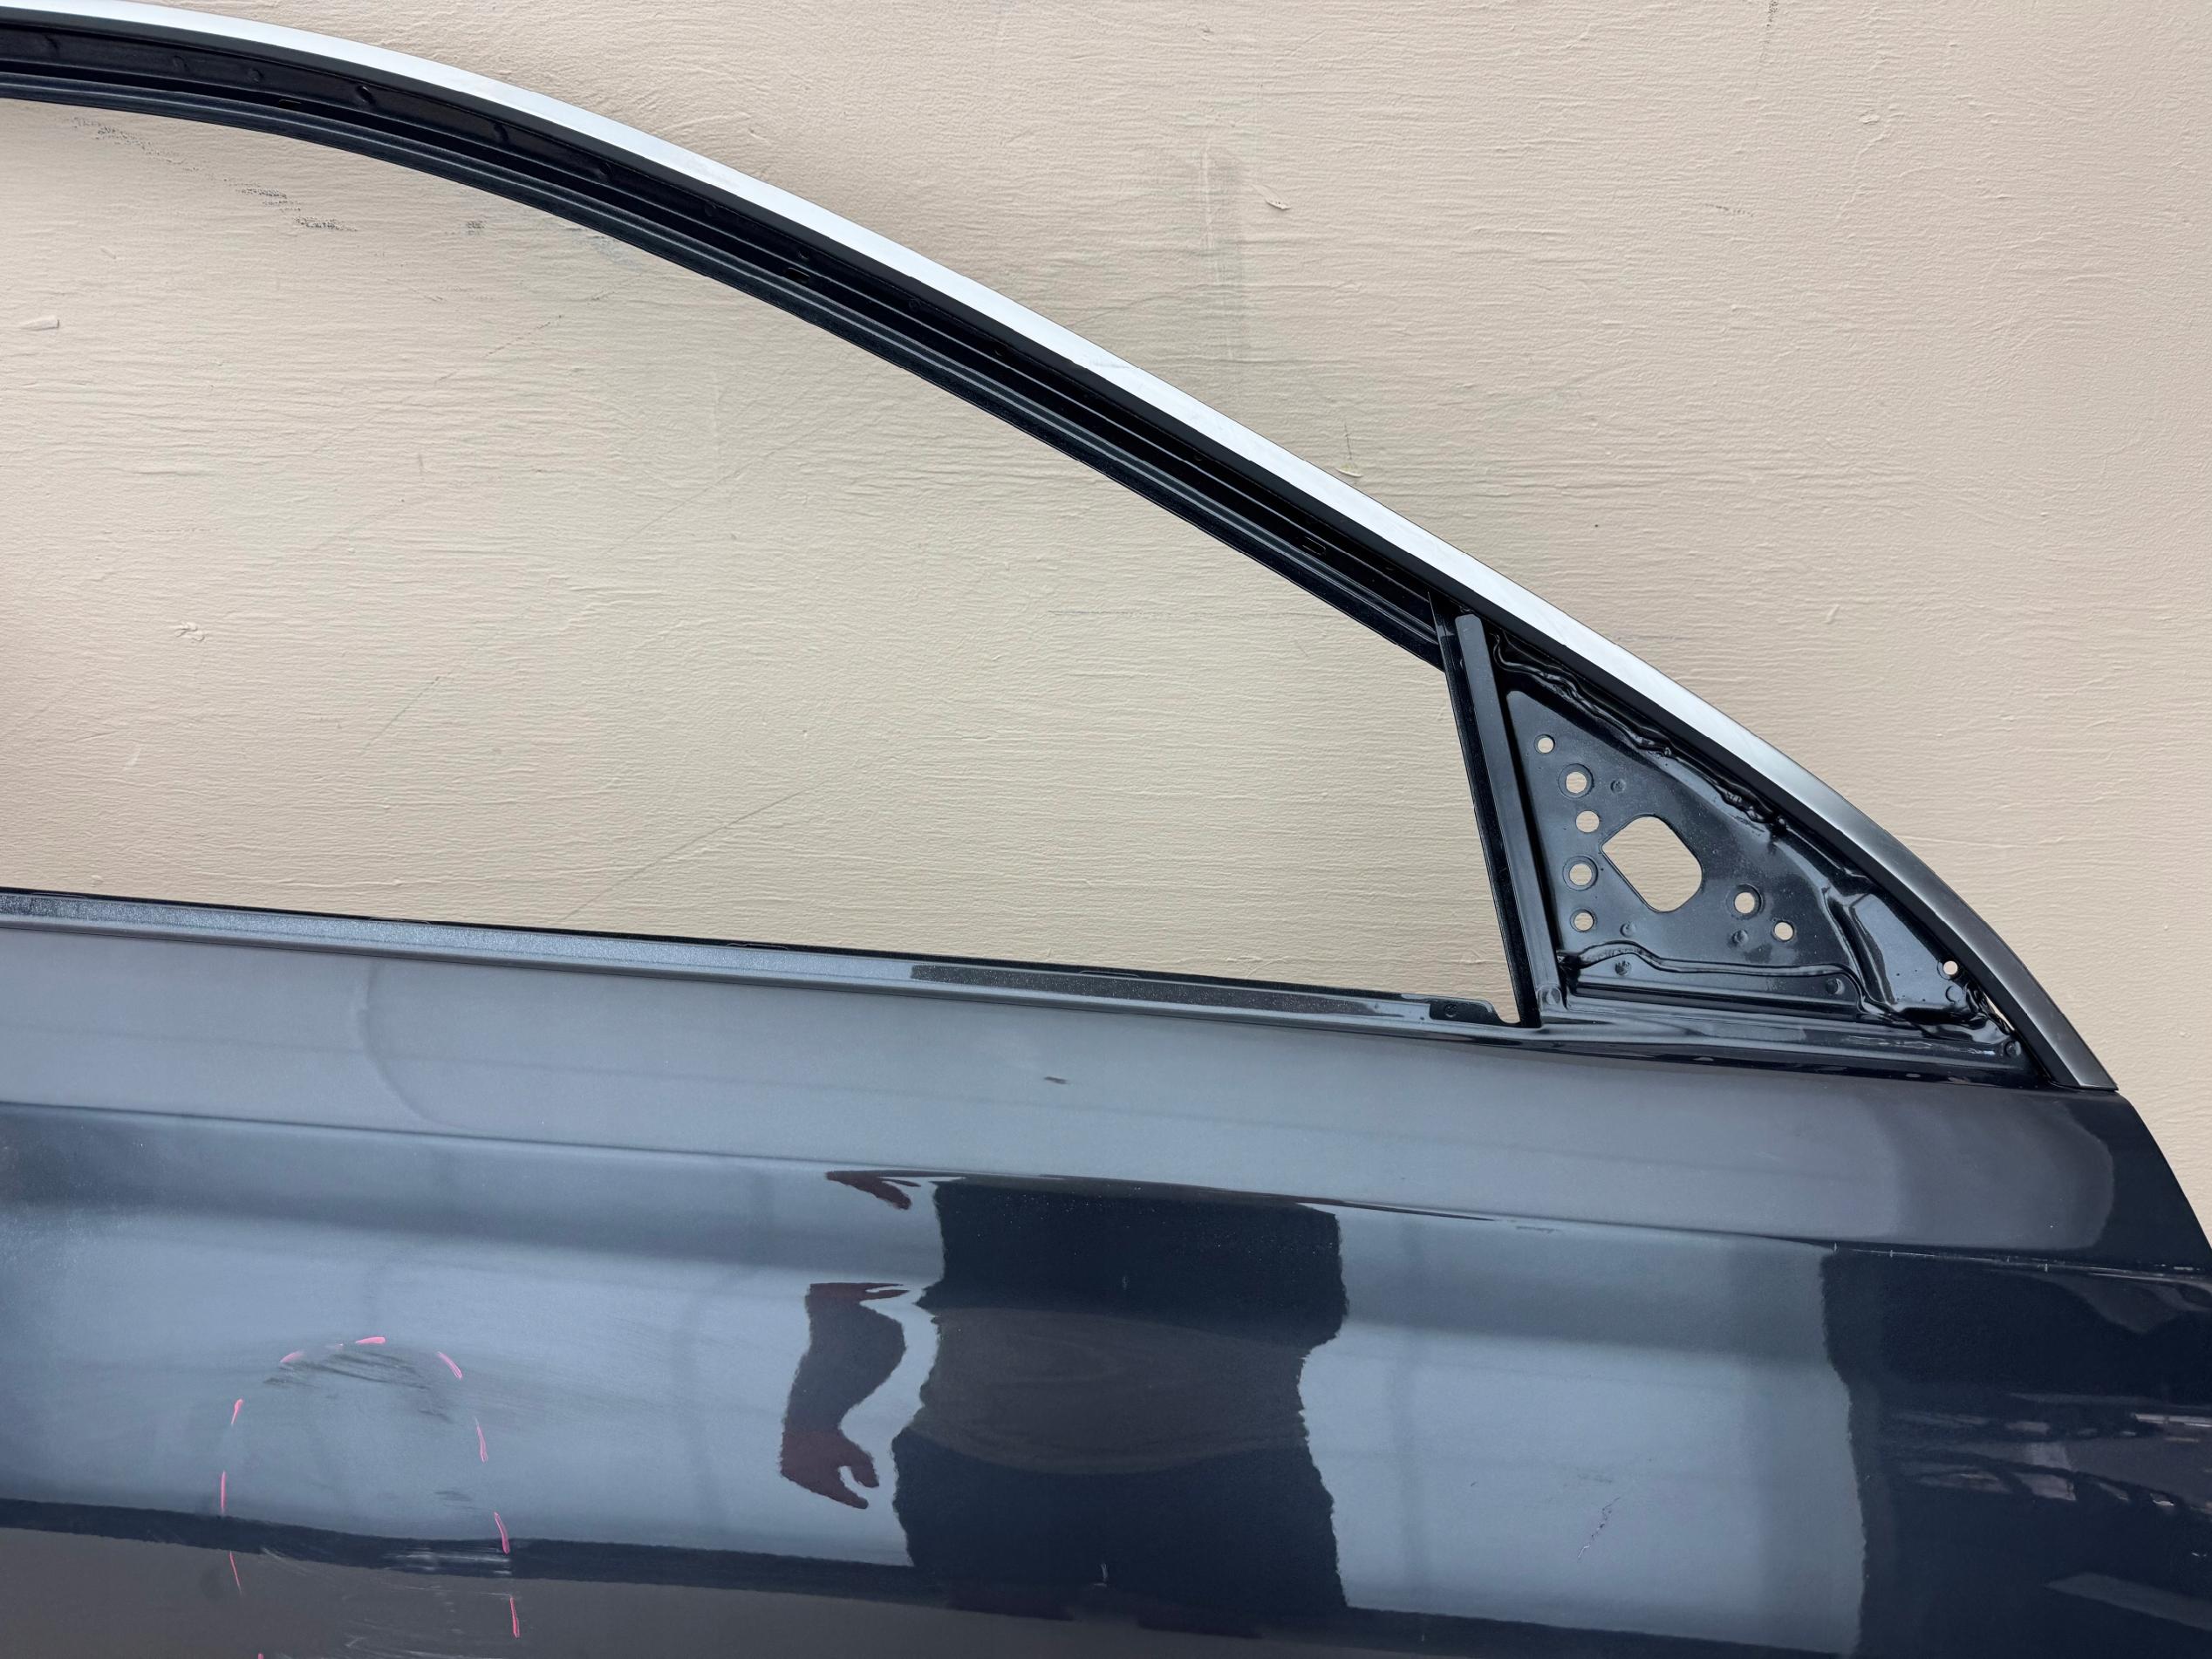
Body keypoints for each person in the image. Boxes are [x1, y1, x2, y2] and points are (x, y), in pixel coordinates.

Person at [780, 1171, 1348, 1634]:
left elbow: (852, 1298)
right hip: (1000, 1464)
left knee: (1005, 1631)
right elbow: (853, 1294)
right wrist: (812, 1420)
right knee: (999, 1634)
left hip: (1205, 1468)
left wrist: (813, 1420)